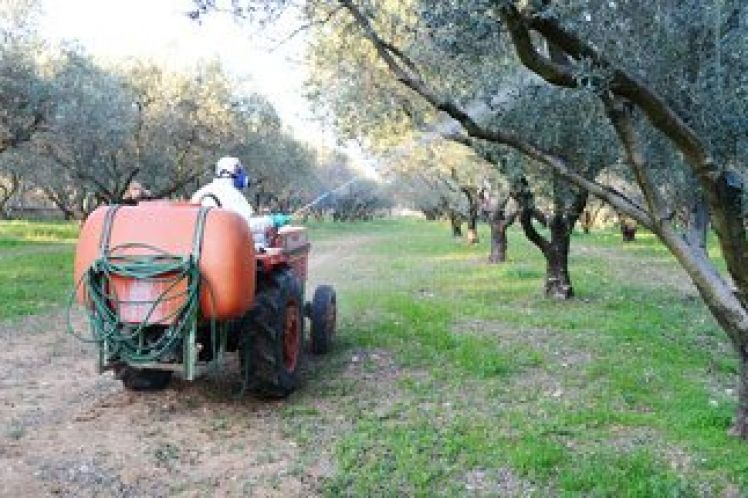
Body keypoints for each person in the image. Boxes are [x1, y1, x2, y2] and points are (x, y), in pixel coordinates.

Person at [190, 156, 254, 224]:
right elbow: (249, 222)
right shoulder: (234, 195)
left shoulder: (199, 193)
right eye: (239, 171)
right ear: (235, 172)